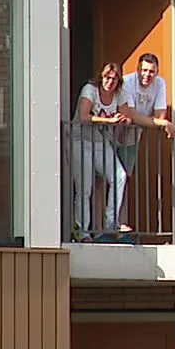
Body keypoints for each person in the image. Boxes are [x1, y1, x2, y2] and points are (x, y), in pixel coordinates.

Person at [72, 63, 133, 241]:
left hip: (100, 141)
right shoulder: (90, 90)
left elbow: (128, 116)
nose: (110, 82)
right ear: (101, 77)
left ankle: (110, 222)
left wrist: (123, 120)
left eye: (114, 79)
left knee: (120, 175)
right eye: (107, 77)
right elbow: (83, 116)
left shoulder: (120, 94)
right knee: (85, 187)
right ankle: (82, 231)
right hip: (79, 140)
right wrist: (109, 121)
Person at [117, 53, 174, 234]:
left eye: (151, 71)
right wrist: (158, 123)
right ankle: (104, 225)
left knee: (124, 178)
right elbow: (131, 115)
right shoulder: (127, 82)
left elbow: (160, 115)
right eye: (144, 70)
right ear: (137, 70)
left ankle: (120, 223)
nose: (147, 75)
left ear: (156, 72)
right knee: (107, 180)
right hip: (113, 136)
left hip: (132, 137)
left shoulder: (160, 84)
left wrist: (156, 121)